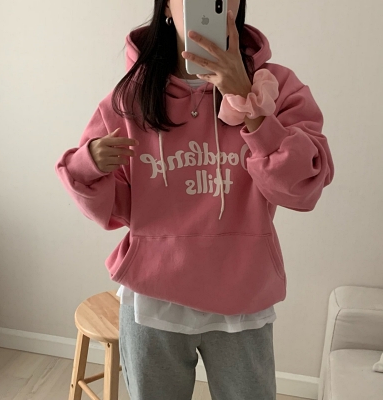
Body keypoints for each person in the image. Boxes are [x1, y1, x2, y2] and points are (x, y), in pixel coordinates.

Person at [54, 0, 335, 399]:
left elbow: (304, 185)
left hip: (243, 293)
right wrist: (88, 164)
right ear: (167, 7)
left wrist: (248, 100)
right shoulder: (132, 95)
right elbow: (114, 207)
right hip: (154, 296)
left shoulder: (278, 86)